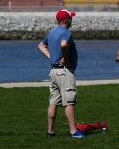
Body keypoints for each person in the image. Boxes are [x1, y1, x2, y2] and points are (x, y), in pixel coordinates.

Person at [38, 9, 85, 139]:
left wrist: (52, 57)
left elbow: (41, 45)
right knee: (69, 102)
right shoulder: (66, 33)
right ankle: (73, 132)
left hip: (53, 71)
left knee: (53, 102)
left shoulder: (52, 32)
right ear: (65, 20)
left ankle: (50, 132)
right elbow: (64, 45)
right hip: (65, 72)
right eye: (70, 18)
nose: (72, 20)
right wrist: (64, 58)